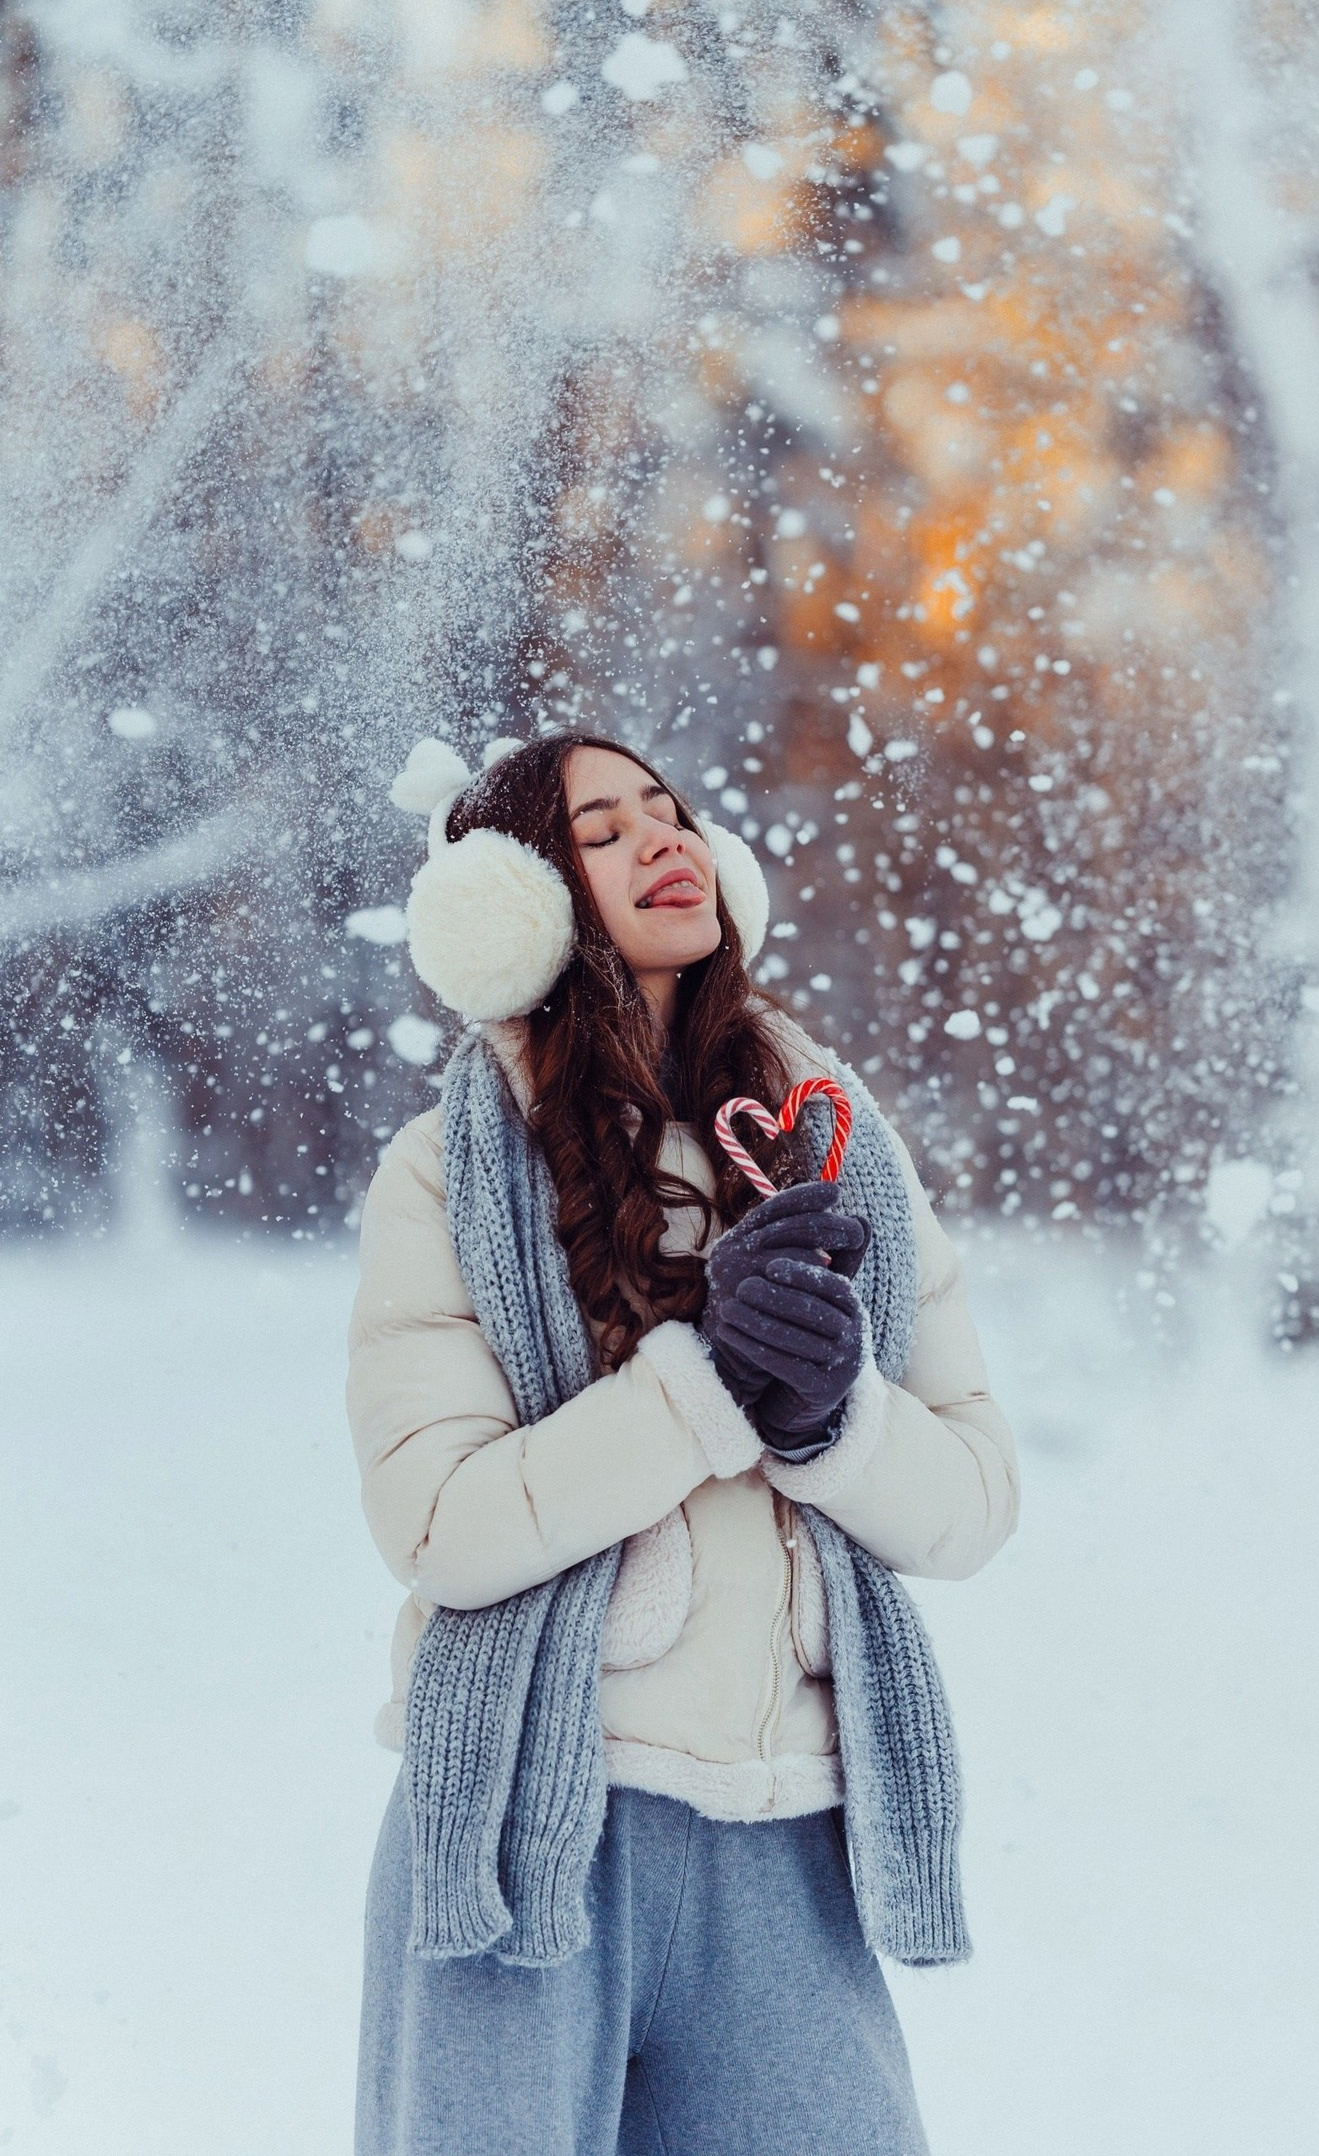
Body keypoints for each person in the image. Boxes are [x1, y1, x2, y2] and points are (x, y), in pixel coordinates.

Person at [347, 727, 1019, 2156]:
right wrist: (706, 1382)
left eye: (671, 810)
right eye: (602, 831)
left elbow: (969, 1505)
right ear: (513, 904)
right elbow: (442, 1528)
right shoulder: (442, 1180)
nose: (664, 841)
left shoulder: (842, 1152)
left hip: (787, 1847)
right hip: (525, 1837)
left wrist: (829, 1413)